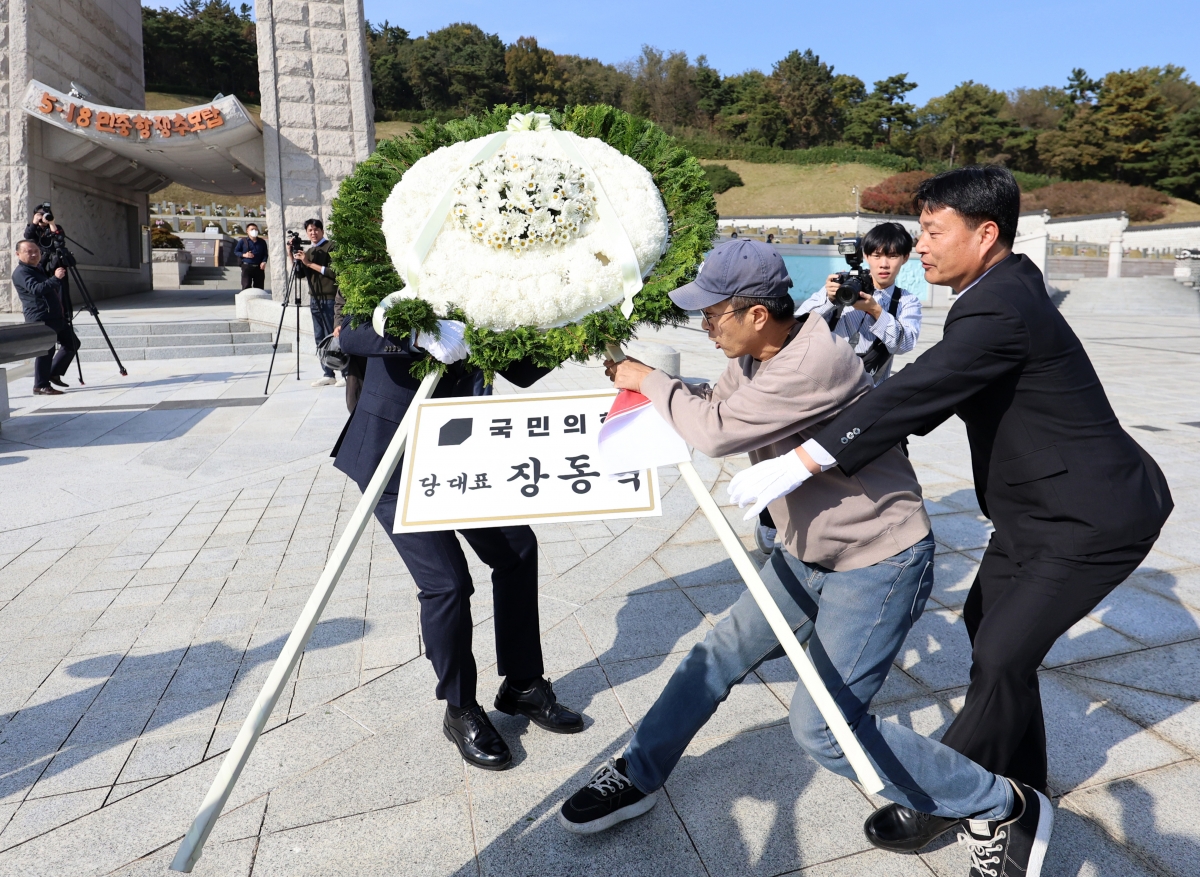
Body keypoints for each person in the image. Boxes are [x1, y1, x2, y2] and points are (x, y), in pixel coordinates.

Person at [561, 239, 1055, 877]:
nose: (705, 326)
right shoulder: (759, 355)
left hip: (877, 560)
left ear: (757, 314)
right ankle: (640, 770)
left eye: (713, 315)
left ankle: (1003, 804)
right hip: (804, 554)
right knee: (714, 657)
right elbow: (724, 405)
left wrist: (648, 379)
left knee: (826, 729)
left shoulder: (815, 360)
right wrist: (670, 389)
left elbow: (716, 430)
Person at [729, 166, 1171, 863]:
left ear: (985, 233)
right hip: (1038, 512)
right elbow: (910, 385)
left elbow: (922, 390)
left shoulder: (1000, 307)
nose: (920, 245)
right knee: (987, 629)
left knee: (999, 653)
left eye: (934, 231)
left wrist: (810, 457)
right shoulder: (997, 290)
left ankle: (963, 799)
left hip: (1093, 518)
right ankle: (1016, 782)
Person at [334, 313, 584, 770]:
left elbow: (521, 369)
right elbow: (351, 328)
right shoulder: (395, 246)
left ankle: (523, 685)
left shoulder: (496, 262)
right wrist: (415, 333)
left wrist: (579, 324)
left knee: (517, 549)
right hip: (392, 453)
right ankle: (460, 708)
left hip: (462, 452)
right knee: (447, 583)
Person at [798, 221, 922, 387]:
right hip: (825, 387)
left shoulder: (906, 301)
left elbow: (905, 345)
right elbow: (798, 324)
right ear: (866, 256)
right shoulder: (841, 286)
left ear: (905, 258)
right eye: (876, 256)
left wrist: (877, 312)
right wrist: (829, 300)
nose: (884, 264)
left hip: (870, 391)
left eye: (892, 256)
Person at [12, 240, 79, 395]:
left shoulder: (37, 268)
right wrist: (55, 278)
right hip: (40, 318)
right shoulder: (21, 272)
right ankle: (41, 385)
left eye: (37, 251)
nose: (35, 254)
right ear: (18, 254)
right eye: (29, 252)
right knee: (45, 351)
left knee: (72, 343)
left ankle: (53, 373)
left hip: (55, 316)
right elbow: (36, 289)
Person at [293, 218, 344, 388]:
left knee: (334, 336)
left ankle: (345, 372)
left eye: (316, 229)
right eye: (309, 230)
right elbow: (300, 275)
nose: (313, 233)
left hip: (330, 299)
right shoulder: (309, 251)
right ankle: (328, 373)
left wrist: (309, 263)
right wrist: (292, 254)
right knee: (319, 338)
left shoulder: (331, 247)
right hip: (314, 299)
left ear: (322, 231)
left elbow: (334, 272)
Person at [25, 207, 71, 317]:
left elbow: (60, 239)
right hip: (41, 263)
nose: (43, 217)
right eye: (40, 214)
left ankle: (64, 314)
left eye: (46, 214)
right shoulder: (33, 228)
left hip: (56, 262)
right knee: (45, 287)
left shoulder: (55, 227)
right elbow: (27, 237)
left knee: (61, 289)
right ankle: (48, 312)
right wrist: (34, 222)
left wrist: (51, 223)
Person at [331, 289, 365, 414]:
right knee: (353, 398)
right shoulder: (348, 275)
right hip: (355, 340)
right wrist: (338, 324)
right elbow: (340, 302)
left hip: (379, 341)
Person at [233, 223, 267, 290]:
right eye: (252, 229)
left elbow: (265, 254)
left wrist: (264, 261)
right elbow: (236, 251)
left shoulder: (262, 242)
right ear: (247, 231)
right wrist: (244, 255)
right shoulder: (242, 241)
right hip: (247, 267)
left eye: (256, 229)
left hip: (258, 268)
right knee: (246, 286)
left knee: (259, 287)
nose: (254, 231)